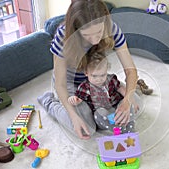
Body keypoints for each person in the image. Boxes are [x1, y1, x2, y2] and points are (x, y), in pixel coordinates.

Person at [37, 0, 145, 140]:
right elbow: (60, 83)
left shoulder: (112, 29)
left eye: (99, 33)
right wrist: (73, 117)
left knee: (136, 105)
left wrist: (127, 100)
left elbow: (130, 71)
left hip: (98, 79)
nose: (94, 40)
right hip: (72, 84)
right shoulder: (63, 36)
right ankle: (50, 102)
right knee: (88, 128)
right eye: (87, 35)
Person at [68, 51, 139, 133]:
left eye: (102, 75)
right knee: (99, 113)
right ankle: (118, 130)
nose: (99, 79)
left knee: (128, 104)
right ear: (86, 73)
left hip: (117, 108)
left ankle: (130, 129)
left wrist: (129, 99)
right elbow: (80, 99)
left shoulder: (111, 79)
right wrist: (74, 99)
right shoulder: (84, 87)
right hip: (103, 113)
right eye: (94, 76)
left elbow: (120, 88)